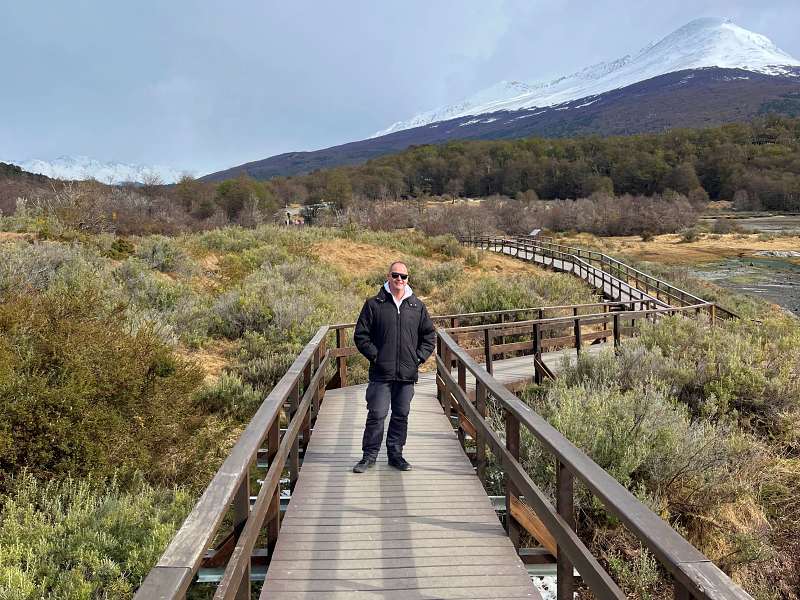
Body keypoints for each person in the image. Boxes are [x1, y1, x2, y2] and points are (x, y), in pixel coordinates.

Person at [352, 260, 436, 473]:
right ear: (388, 276)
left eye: (404, 276)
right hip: (381, 373)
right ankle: (368, 456)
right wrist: (376, 356)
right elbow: (361, 336)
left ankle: (395, 455)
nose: (400, 279)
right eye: (395, 275)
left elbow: (429, 336)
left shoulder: (417, 306)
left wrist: (418, 358)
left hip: (407, 374)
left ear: (408, 279)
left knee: (401, 414)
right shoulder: (374, 304)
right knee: (377, 414)